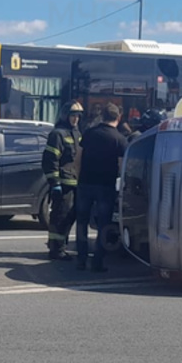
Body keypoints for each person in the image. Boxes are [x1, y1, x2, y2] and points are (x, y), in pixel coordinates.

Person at [75, 102, 129, 272]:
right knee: (104, 224)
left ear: (102, 117)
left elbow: (78, 158)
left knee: (82, 222)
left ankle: (81, 259)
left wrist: (80, 177)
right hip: (106, 186)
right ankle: (97, 261)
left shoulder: (89, 133)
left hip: (85, 183)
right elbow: (122, 167)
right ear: (118, 118)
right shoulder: (120, 139)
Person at [41, 101, 84, 260]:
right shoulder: (58, 134)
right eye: (73, 115)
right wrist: (55, 184)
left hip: (75, 183)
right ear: (66, 115)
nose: (75, 119)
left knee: (69, 217)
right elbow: (50, 161)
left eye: (78, 116)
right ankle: (56, 250)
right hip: (63, 184)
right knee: (60, 217)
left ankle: (61, 246)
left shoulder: (77, 133)